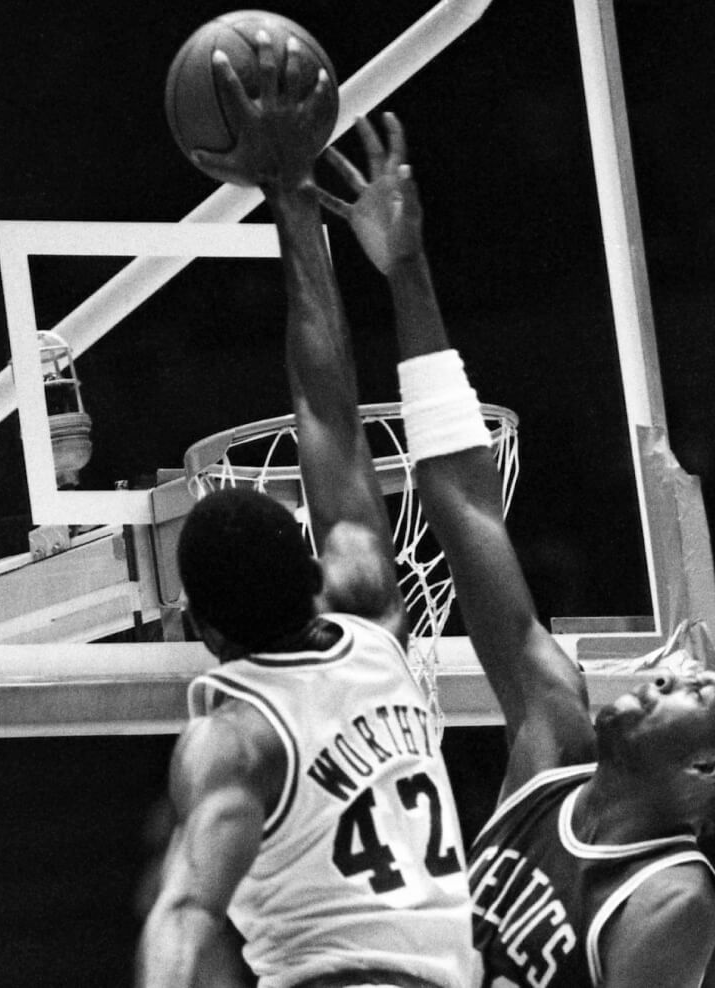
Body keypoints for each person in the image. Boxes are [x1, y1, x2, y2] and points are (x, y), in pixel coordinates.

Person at [318, 114, 715, 988]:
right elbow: (466, 503)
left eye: (694, 690)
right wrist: (405, 269)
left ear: (707, 768)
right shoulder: (552, 744)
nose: (663, 674)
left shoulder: (672, 898)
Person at [135, 36, 478, 988]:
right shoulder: (370, 613)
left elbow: (185, 909)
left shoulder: (233, 736)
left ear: (199, 628)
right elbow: (327, 409)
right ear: (315, 567)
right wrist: (293, 202)